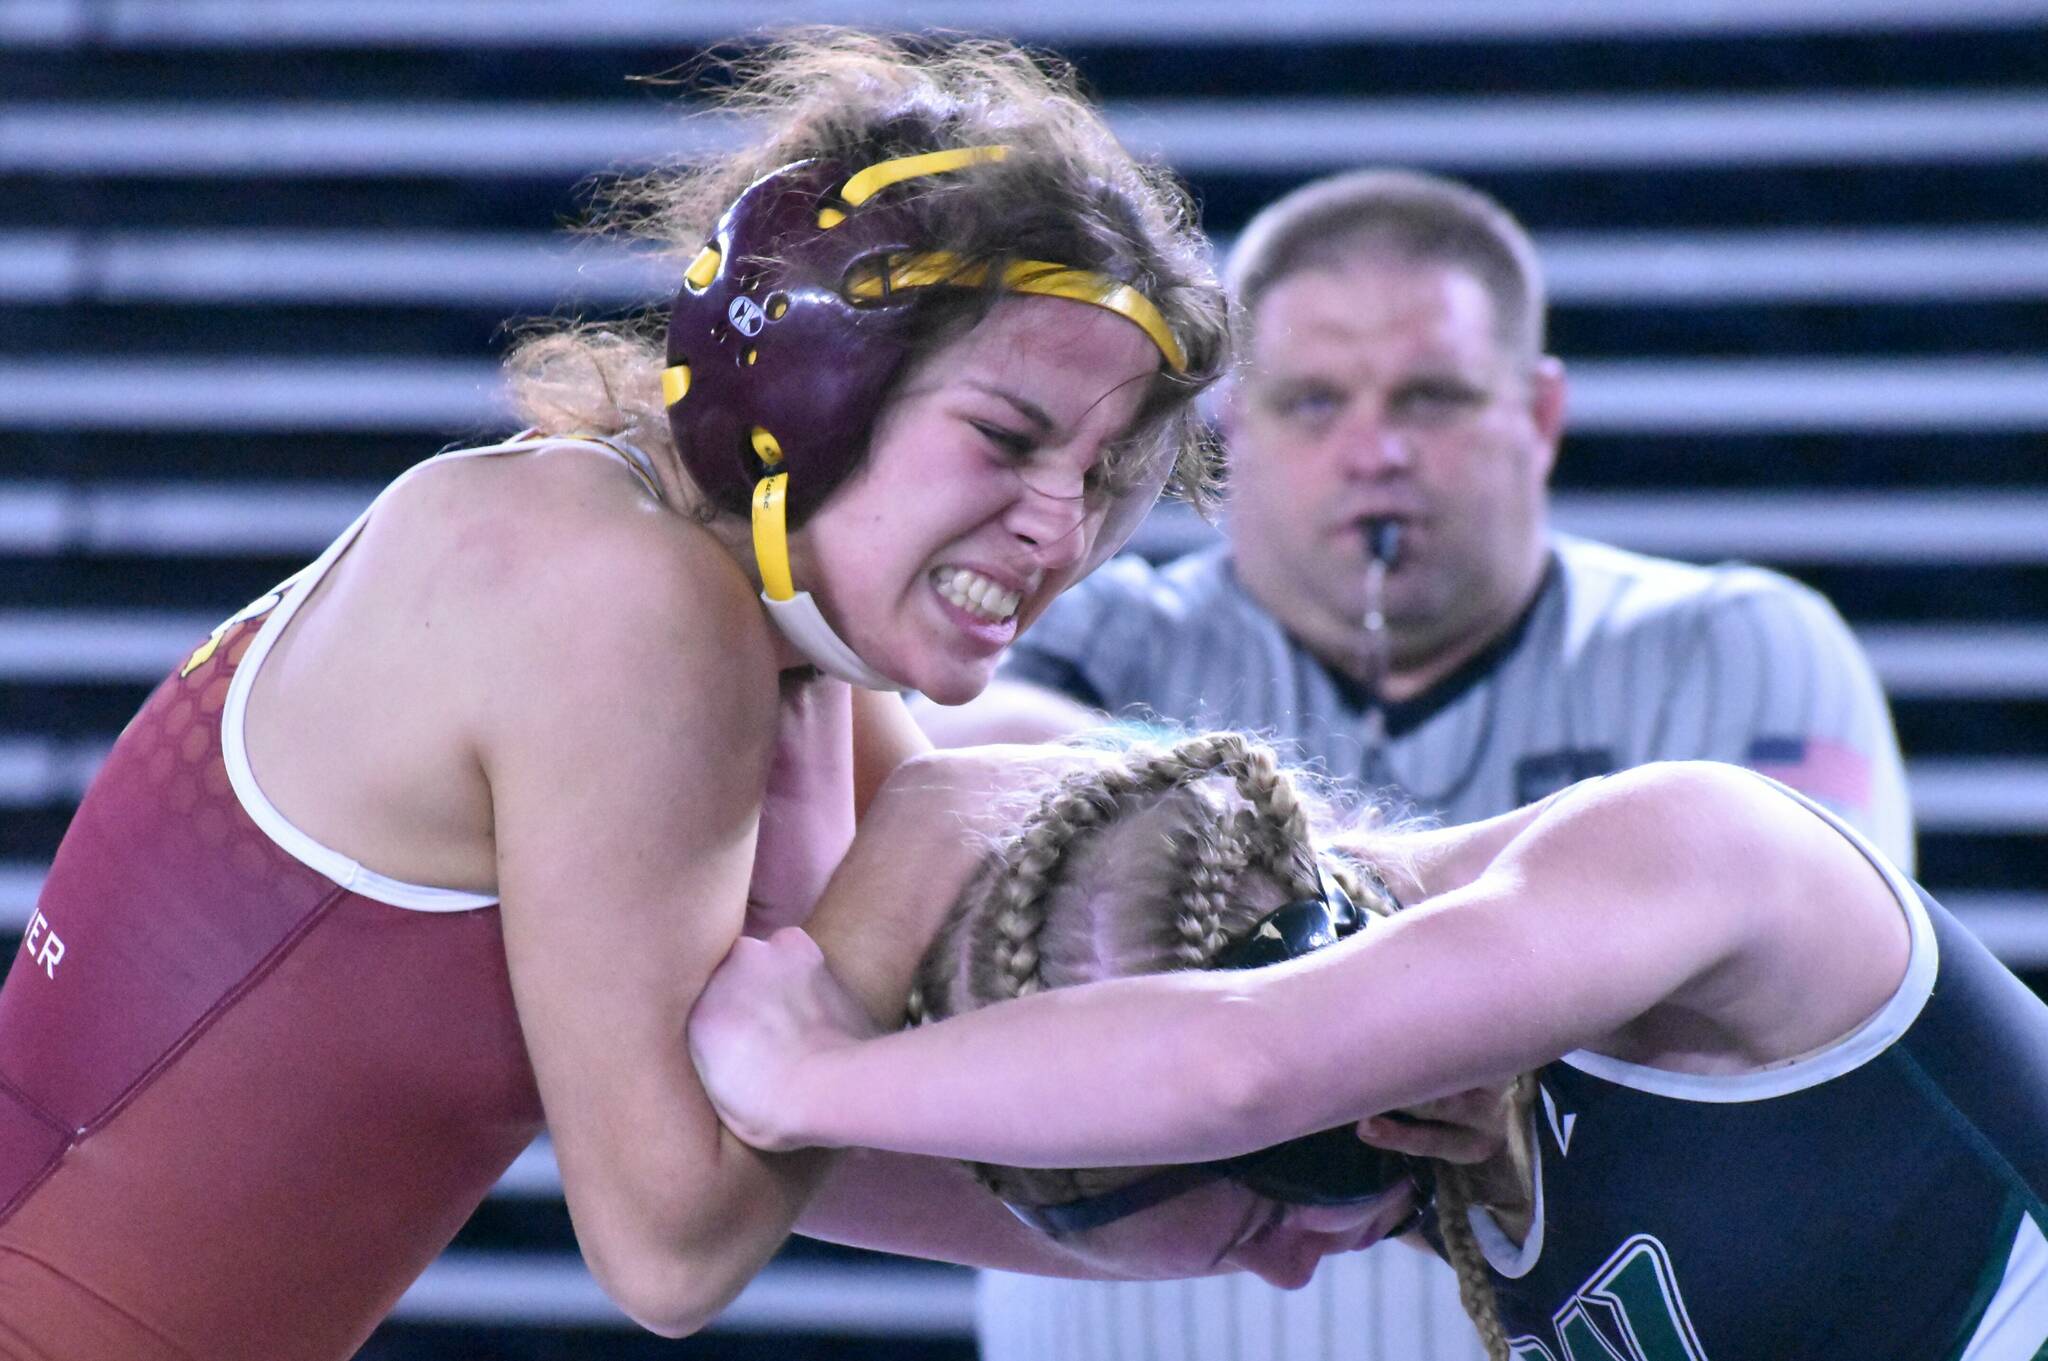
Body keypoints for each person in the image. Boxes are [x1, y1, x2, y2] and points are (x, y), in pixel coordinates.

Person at [0, 32, 1226, 1361]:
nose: (1061, 528)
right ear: (817, 384)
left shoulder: (729, 607)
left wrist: (1241, 1209)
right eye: (1005, 436)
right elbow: (672, 1245)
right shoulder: (624, 603)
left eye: (1107, 479)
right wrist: (935, 829)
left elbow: (802, 1110)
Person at [918, 167, 1915, 1361]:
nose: (1374, 450)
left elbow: (1808, 1031)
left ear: (1537, 417)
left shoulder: (1739, 643)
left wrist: (1227, 904)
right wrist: (1511, 983)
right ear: (1229, 430)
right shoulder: (1072, 626)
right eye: (1312, 401)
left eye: (1430, 397)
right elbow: (940, 800)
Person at [688, 730, 2048, 1361]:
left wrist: (815, 1072)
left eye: (1253, 1234)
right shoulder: (1427, 1138)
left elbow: (1241, 1072)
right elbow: (749, 1200)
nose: (1292, 1278)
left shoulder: (1692, 848)